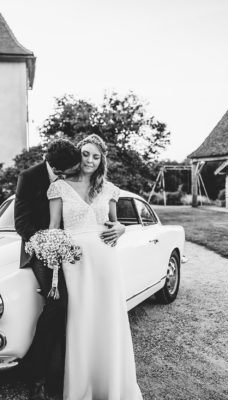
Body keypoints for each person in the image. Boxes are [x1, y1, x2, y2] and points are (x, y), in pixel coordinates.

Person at [47, 134, 142, 400]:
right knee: (81, 320)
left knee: (108, 319)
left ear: (102, 160)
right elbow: (54, 227)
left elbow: (115, 223)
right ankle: (82, 389)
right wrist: (52, 256)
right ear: (78, 155)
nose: (90, 160)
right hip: (75, 262)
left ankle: (112, 387)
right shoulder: (60, 187)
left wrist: (122, 228)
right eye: (86, 154)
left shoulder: (109, 189)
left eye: (95, 156)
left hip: (105, 259)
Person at [14, 139, 81, 400]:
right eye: (70, 169)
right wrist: (48, 245)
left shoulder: (76, 178)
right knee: (58, 304)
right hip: (39, 250)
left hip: (74, 249)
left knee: (77, 305)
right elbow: (22, 223)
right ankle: (36, 375)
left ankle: (66, 370)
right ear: (57, 167)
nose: (76, 171)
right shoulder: (29, 178)